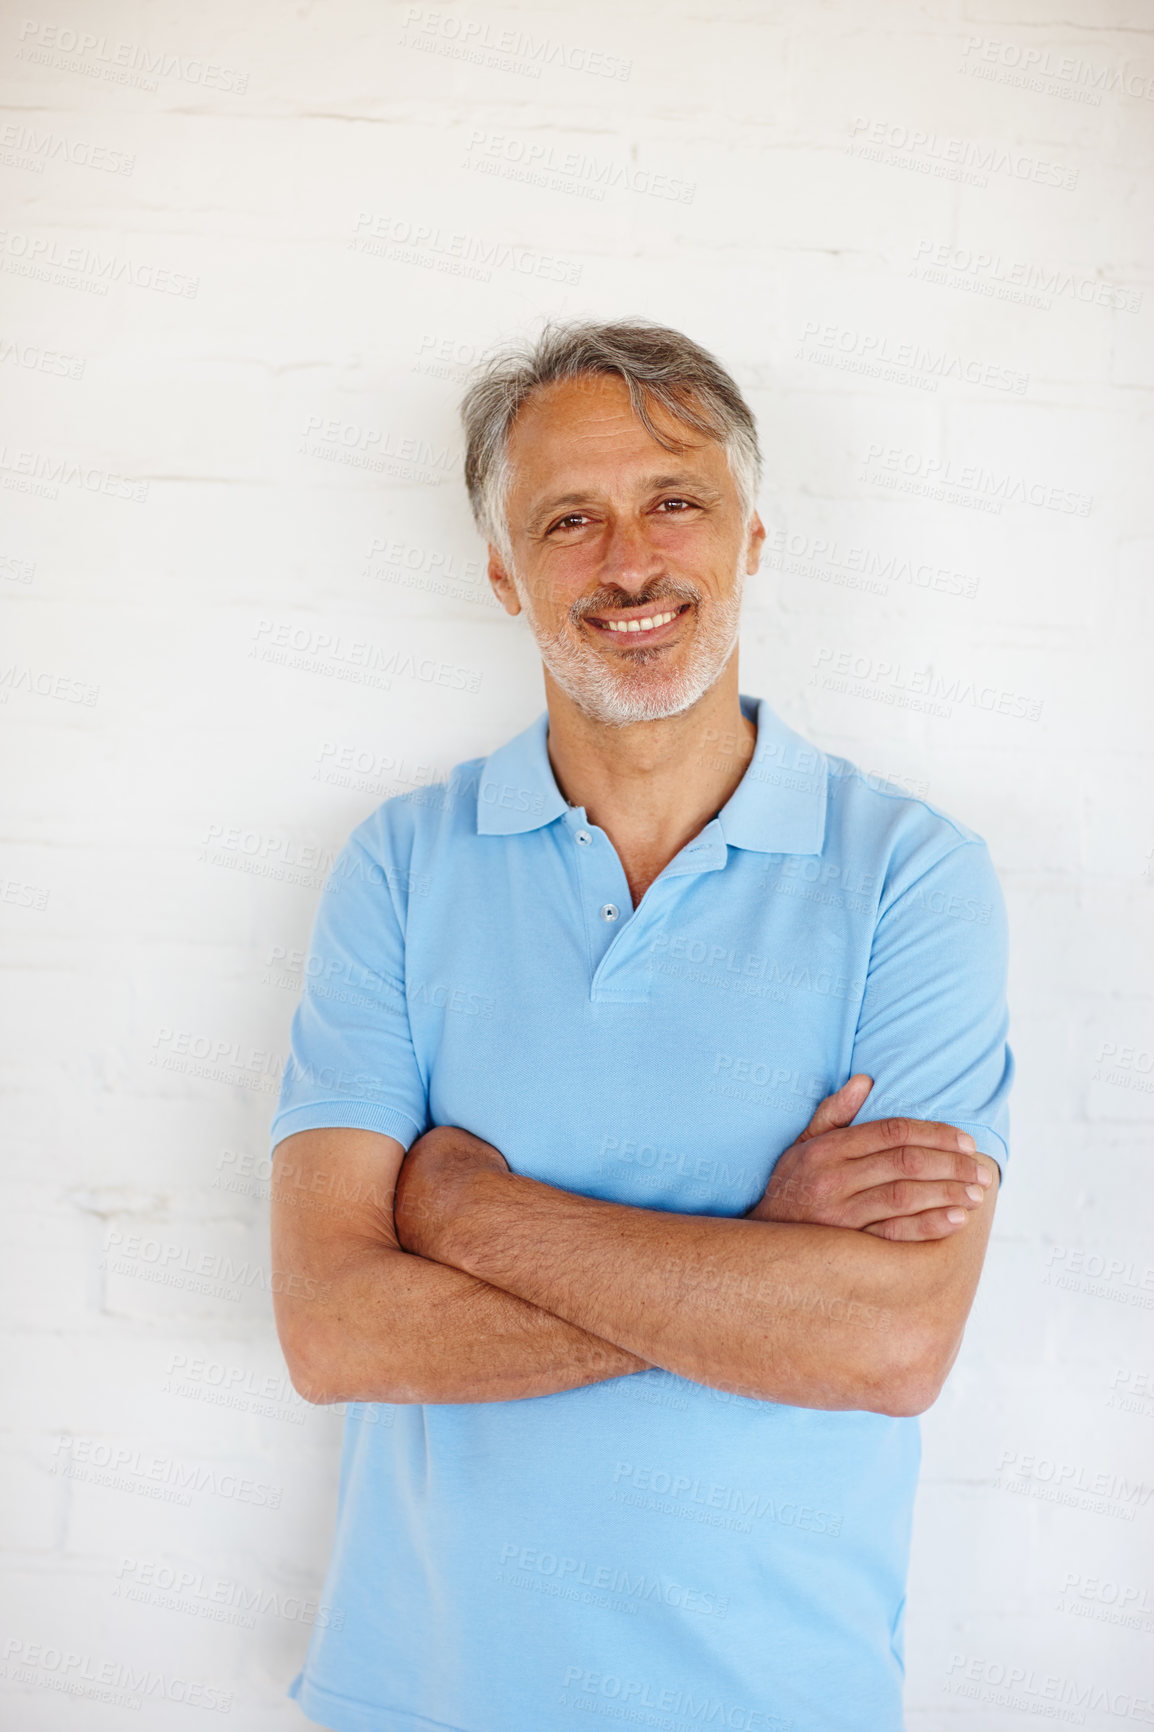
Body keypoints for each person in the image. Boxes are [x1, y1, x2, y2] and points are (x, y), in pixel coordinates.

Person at [269, 318, 1013, 1732]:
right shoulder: (403, 864)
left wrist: (465, 1207)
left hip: (776, 1695)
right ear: (502, 571)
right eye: (569, 519)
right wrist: (764, 1265)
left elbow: (887, 1349)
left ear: (748, 538)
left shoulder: (910, 873)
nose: (629, 561)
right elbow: (336, 1330)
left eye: (675, 501)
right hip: (426, 1689)